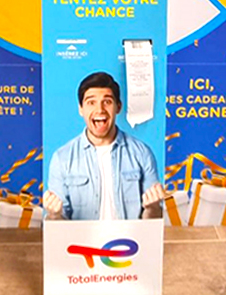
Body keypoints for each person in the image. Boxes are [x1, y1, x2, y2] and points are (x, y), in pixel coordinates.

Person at [44, 71, 165, 221]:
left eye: (107, 102)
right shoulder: (62, 159)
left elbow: (152, 222)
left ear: (118, 107)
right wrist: (54, 215)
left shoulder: (142, 154)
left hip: (131, 236)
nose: (100, 110)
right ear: (81, 109)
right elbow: (59, 226)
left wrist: (153, 208)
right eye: (91, 102)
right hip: (82, 237)